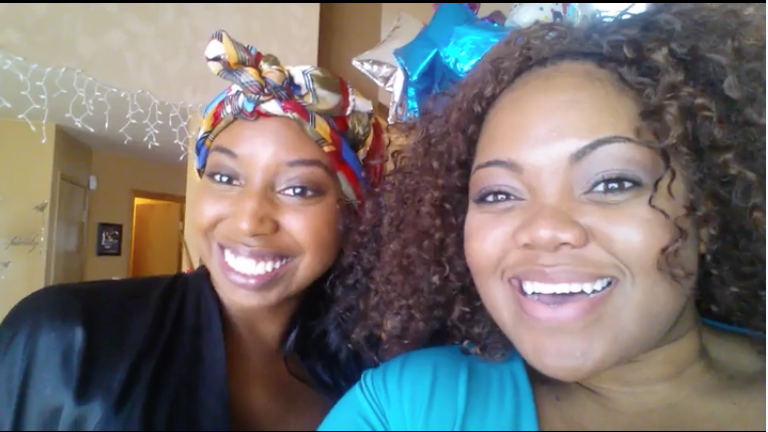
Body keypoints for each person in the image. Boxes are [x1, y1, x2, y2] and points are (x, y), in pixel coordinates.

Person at [319, 3, 765, 431]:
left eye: (612, 183)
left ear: (706, 206)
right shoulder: (406, 409)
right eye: (498, 193)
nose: (545, 229)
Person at [0, 30, 387, 431]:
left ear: (352, 215)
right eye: (225, 177)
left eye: (298, 189)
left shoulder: (370, 376)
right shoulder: (69, 340)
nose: (249, 220)